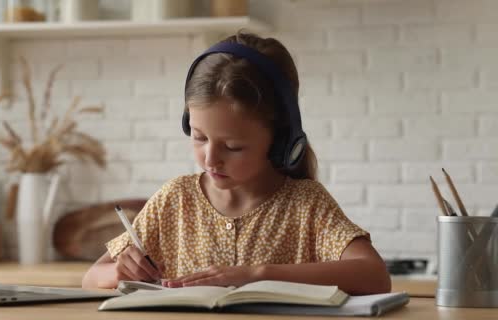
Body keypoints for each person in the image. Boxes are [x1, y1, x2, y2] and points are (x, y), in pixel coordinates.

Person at [82, 32, 391, 295]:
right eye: (200, 138)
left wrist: (258, 275)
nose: (211, 158)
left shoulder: (306, 205)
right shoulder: (174, 200)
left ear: (281, 140)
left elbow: (375, 276)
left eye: (233, 146)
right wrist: (118, 274)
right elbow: (90, 278)